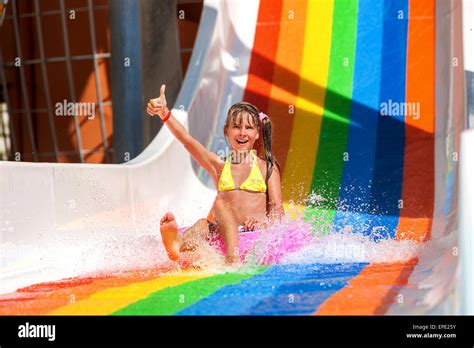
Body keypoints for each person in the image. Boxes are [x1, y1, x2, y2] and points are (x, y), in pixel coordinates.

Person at [146, 85, 284, 264]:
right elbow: (187, 141)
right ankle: (176, 245)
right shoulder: (219, 165)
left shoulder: (267, 168)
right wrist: (164, 112)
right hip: (223, 234)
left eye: (249, 128)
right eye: (236, 127)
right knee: (203, 225)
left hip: (252, 235)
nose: (242, 132)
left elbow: (277, 211)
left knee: (219, 202)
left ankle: (230, 257)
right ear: (227, 131)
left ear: (257, 133)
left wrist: (264, 223)